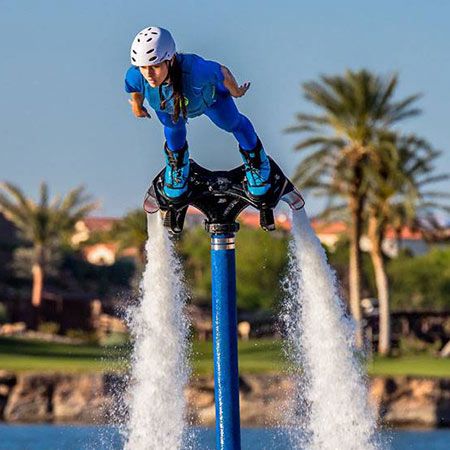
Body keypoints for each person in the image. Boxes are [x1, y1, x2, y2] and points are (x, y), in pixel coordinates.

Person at [125, 26, 271, 200]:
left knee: (232, 123)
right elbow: (135, 89)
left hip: (211, 101)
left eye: (155, 66)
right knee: (173, 129)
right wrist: (137, 106)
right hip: (170, 109)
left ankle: (256, 160)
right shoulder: (136, 75)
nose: (148, 74)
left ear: (170, 60)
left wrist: (235, 91)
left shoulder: (196, 70)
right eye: (143, 67)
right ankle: (178, 165)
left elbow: (222, 71)